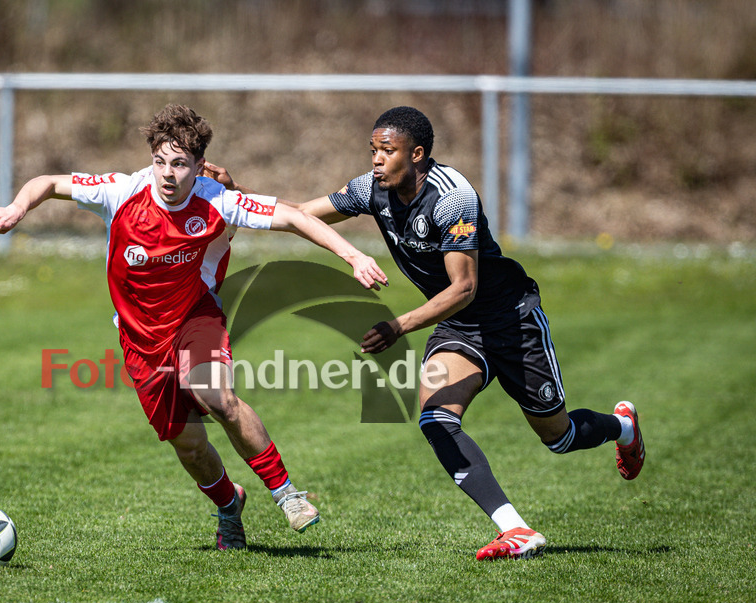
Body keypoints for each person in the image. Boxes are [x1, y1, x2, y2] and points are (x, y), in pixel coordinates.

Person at [205, 105, 646, 561]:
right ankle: (514, 529)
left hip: (510, 319)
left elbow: (464, 288)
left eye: (387, 151)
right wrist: (240, 193)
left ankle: (623, 426)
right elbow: (299, 215)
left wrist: (399, 326)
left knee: (560, 437)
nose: (376, 160)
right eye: (373, 150)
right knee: (436, 419)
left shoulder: (452, 198)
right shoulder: (370, 189)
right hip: (458, 328)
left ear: (416, 154)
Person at [0, 104, 388, 550]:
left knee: (216, 395)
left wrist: (353, 256)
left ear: (198, 166)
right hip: (139, 338)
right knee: (187, 445)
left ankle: (286, 494)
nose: (167, 174)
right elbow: (49, 183)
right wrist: (17, 207)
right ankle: (230, 505)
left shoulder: (215, 199)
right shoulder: (122, 191)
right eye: (160, 161)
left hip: (196, 317)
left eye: (179, 164)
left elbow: (294, 218)